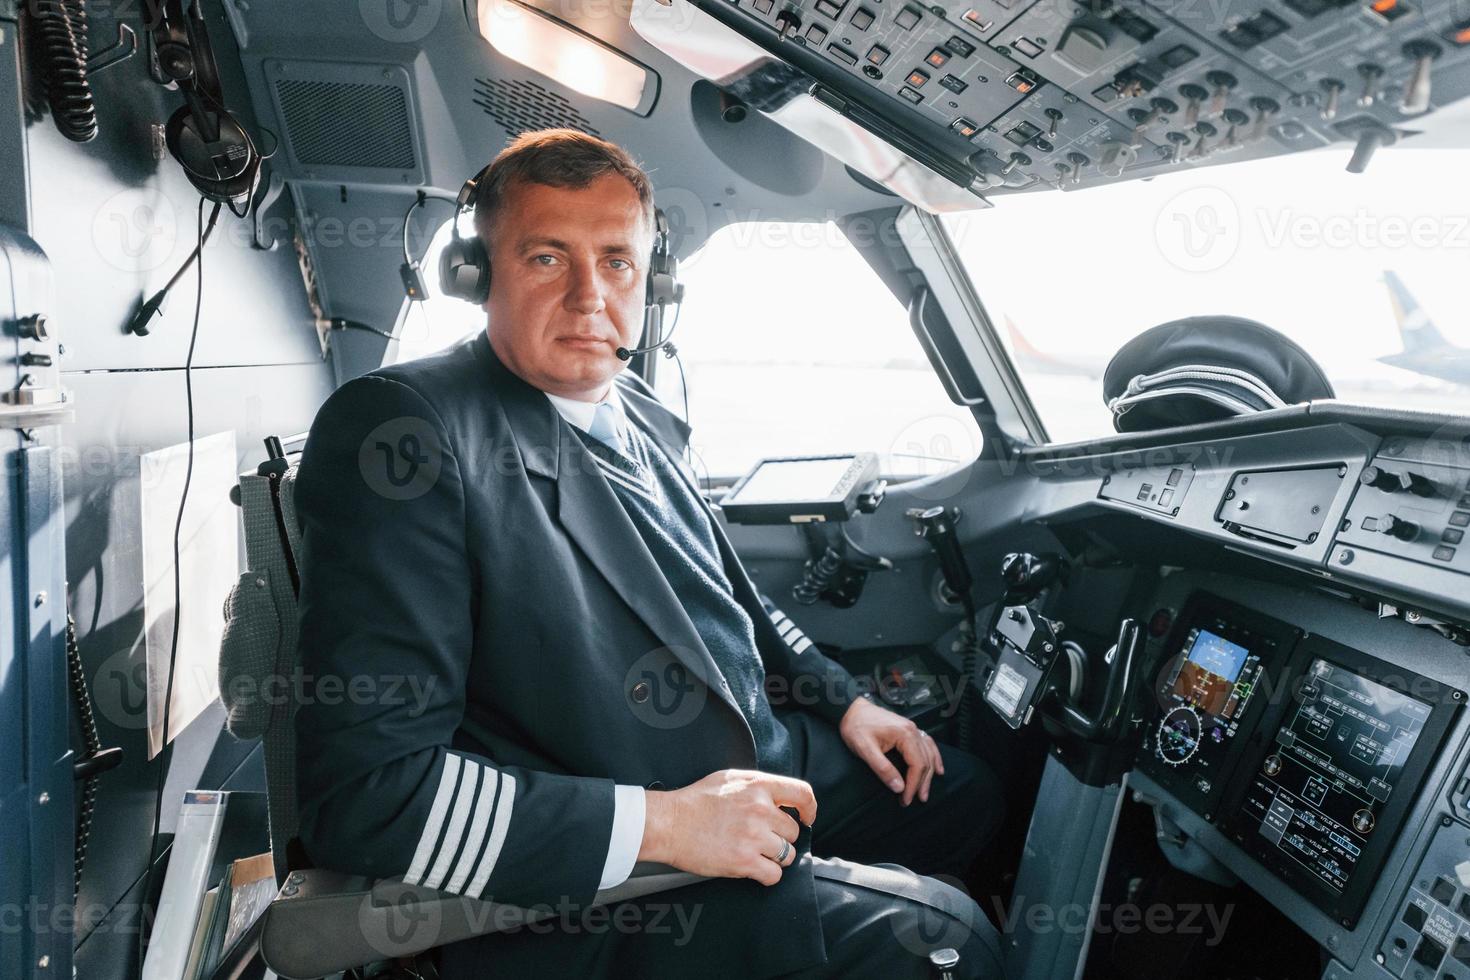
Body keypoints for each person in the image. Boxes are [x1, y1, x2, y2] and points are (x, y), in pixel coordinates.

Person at [293, 128, 1004, 978]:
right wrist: (669, 825)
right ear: (477, 277)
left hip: (751, 761)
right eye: (548, 258)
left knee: (967, 794)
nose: (592, 296)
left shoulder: (637, 409)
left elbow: (728, 593)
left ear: (653, 280)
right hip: (608, 863)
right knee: (950, 940)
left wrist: (844, 701)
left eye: (618, 262)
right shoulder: (407, 432)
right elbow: (369, 797)